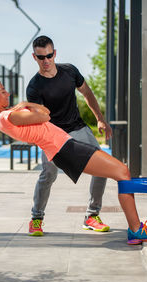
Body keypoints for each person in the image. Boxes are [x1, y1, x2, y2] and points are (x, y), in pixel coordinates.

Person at [0, 79, 147, 245]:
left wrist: (28, 105)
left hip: (64, 148)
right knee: (122, 172)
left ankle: (134, 228)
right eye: (2, 90)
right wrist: (26, 103)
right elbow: (45, 115)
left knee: (121, 172)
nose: (7, 93)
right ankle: (135, 229)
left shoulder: (4, 117)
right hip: (64, 149)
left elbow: (45, 112)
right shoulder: (8, 116)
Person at [26, 35, 112, 236]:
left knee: (102, 166)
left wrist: (99, 118)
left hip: (77, 127)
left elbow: (88, 93)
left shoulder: (70, 71)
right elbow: (39, 119)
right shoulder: (34, 87)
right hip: (52, 133)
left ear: (54, 53)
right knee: (48, 174)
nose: (46, 61)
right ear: (34, 57)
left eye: (49, 55)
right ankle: (36, 218)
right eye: (41, 57)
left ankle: (92, 215)